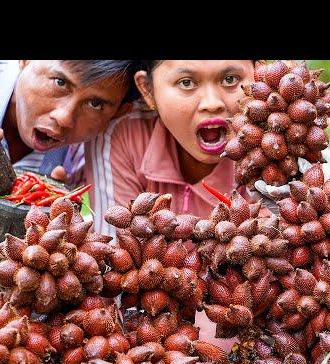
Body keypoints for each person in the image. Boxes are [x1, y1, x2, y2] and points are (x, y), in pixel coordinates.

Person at [0, 60, 140, 258]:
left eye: (95, 104)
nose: (64, 117)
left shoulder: (84, 155)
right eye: (60, 83)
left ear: (119, 112)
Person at [84, 60, 256, 238]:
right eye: (186, 82)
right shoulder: (122, 134)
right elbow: (117, 251)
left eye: (230, 79)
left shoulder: (275, 144)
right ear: (148, 90)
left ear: (258, 75)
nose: (212, 104)